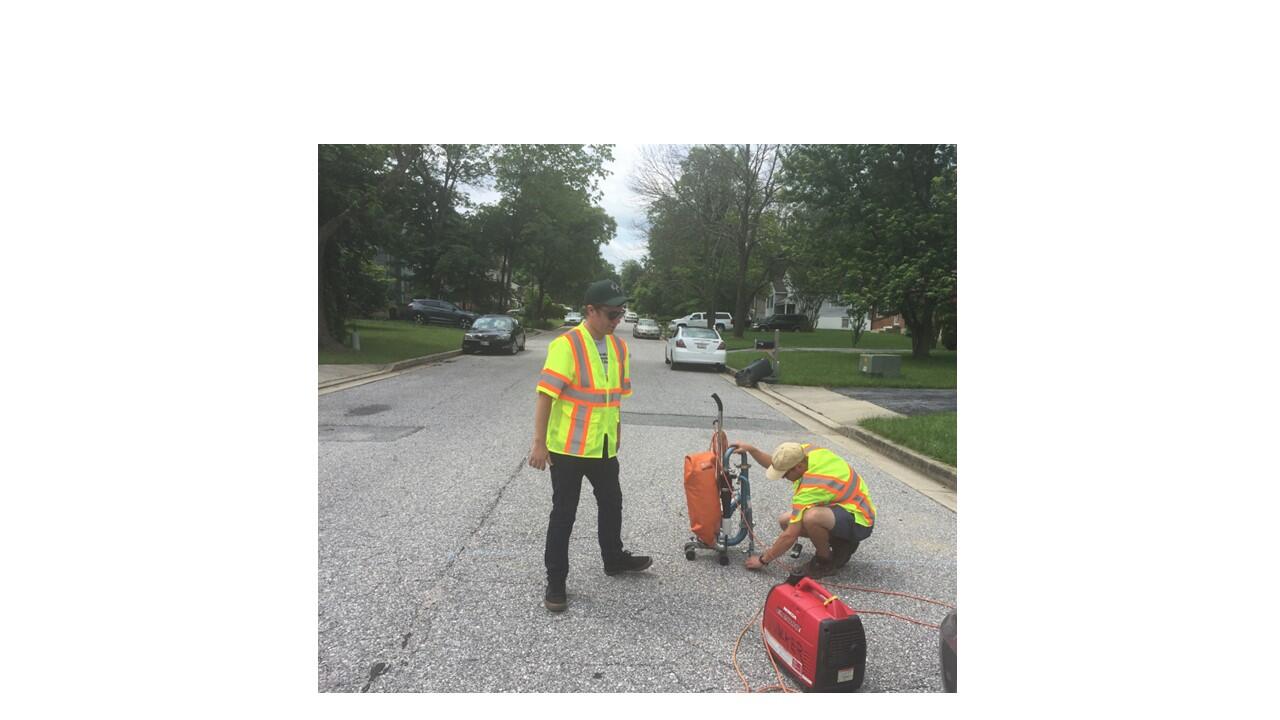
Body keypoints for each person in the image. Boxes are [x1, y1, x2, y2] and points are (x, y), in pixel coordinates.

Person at [528, 279, 652, 612]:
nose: (617, 321)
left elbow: (612, 400)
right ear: (590, 311)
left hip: (603, 448)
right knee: (564, 515)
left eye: (621, 314)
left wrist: (617, 433)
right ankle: (556, 582)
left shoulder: (619, 348)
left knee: (612, 503)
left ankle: (613, 559)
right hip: (568, 449)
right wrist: (539, 444)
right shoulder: (567, 345)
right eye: (611, 314)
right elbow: (546, 396)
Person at [734, 441, 877, 578]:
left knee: (811, 518)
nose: (784, 478)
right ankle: (842, 543)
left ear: (798, 468)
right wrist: (752, 450)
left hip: (860, 520)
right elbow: (778, 464)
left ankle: (824, 562)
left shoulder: (811, 485)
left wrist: (763, 560)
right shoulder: (806, 451)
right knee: (785, 521)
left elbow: (790, 535)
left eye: (785, 475)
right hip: (843, 506)